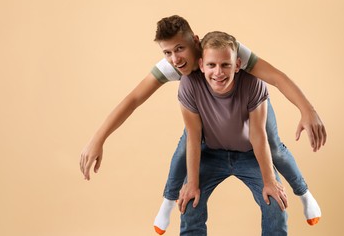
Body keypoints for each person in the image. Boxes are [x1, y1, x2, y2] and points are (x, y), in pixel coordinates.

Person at [79, 15, 326, 234]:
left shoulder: (233, 54)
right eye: (167, 53)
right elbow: (133, 99)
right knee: (188, 142)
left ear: (195, 42)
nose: (175, 59)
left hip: (251, 117)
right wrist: (98, 139)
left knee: (273, 148)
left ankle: (304, 194)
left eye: (179, 49)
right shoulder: (177, 71)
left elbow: (277, 78)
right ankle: (168, 200)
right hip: (210, 127)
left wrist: (307, 110)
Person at [177, 30, 288, 235]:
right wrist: (192, 183)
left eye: (225, 65)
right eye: (211, 65)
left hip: (249, 154)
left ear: (237, 65)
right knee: (190, 201)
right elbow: (192, 137)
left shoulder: (254, 82)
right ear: (202, 65)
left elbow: (259, 134)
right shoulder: (189, 85)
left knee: (275, 203)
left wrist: (270, 181)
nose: (218, 72)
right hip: (211, 153)